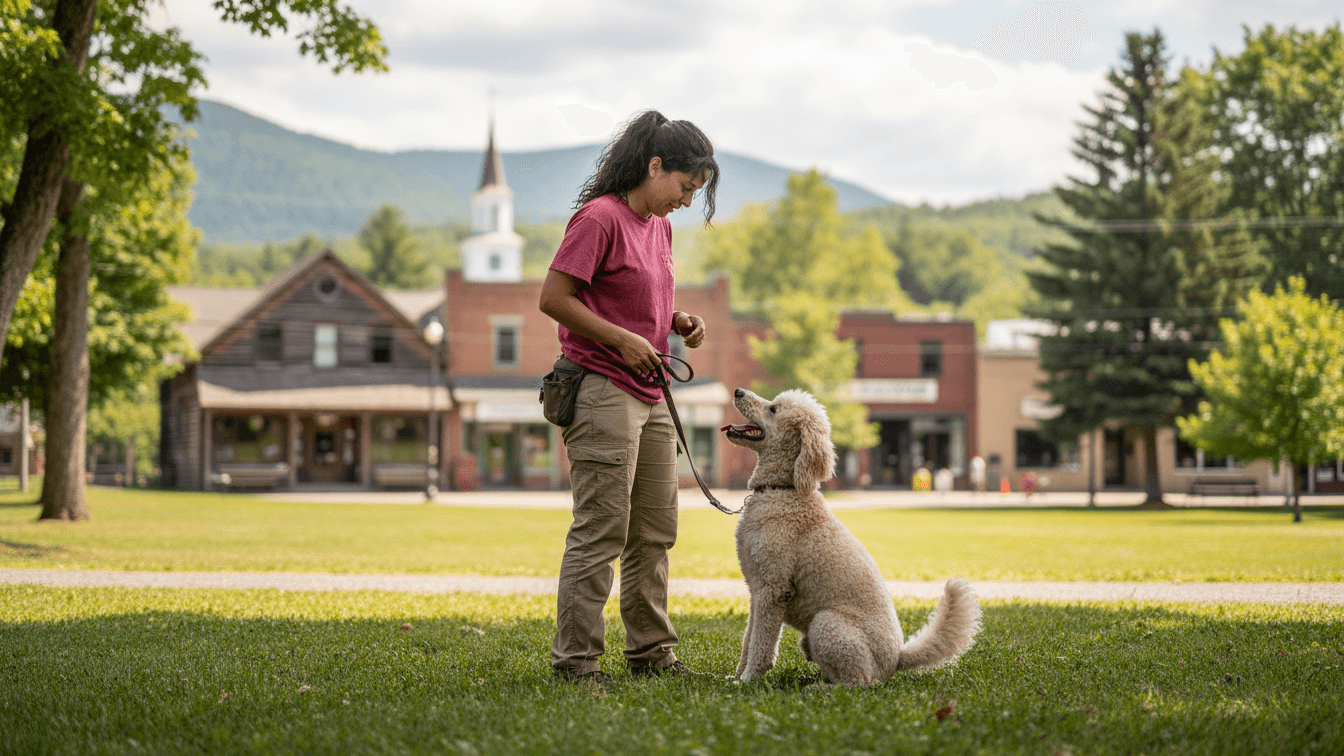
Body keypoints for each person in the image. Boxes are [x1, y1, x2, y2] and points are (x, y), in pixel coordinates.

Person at [538, 110, 719, 683]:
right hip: (599, 387)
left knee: (654, 531)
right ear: (655, 165)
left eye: (696, 192)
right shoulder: (600, 218)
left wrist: (676, 319)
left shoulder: (658, 227)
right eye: (685, 187)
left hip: (650, 392)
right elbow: (555, 298)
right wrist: (622, 339)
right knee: (602, 530)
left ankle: (651, 654)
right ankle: (576, 663)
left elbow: (633, 298)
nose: (688, 202)